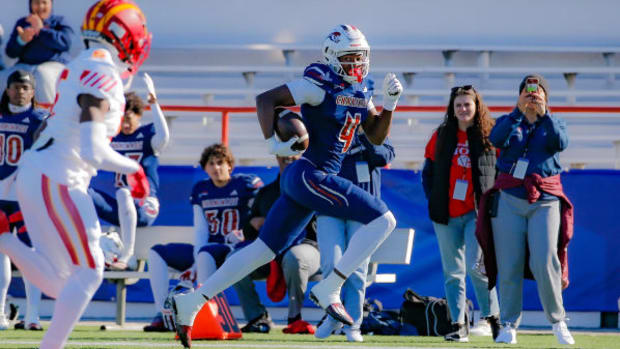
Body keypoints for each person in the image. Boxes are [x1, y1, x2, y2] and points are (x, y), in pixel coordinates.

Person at [171, 24, 403, 348]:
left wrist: (390, 104)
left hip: (306, 181)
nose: (356, 65)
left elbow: (376, 136)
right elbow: (266, 100)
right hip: (310, 174)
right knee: (384, 219)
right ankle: (330, 287)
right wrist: (272, 143)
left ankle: (192, 301)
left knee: (260, 251)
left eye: (360, 57)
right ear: (333, 58)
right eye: (349, 58)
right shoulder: (319, 85)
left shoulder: (362, 89)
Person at [0, 1, 151, 347]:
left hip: (44, 174)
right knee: (88, 272)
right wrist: (134, 167)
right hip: (59, 177)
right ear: (124, 36)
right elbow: (92, 149)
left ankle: (4, 236)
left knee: (64, 281)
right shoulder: (104, 73)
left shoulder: (82, 63)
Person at [476, 74, 575, 345]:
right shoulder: (510, 121)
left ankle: (557, 321)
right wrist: (519, 112)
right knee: (509, 263)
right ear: (519, 94)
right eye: (528, 91)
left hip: (545, 199)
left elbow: (561, 142)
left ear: (546, 95)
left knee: (545, 261)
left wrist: (545, 114)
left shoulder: (554, 122)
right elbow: (495, 139)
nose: (533, 95)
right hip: (509, 198)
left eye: (538, 91)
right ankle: (508, 324)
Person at [144, 144, 262, 332]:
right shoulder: (201, 189)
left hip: (235, 248)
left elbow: (261, 212)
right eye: (211, 164)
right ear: (205, 168)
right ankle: (163, 314)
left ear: (230, 165)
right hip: (208, 250)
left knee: (206, 253)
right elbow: (201, 230)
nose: (216, 168)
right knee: (157, 252)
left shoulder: (245, 184)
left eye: (220, 163)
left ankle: (211, 315)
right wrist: (195, 265)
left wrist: (245, 232)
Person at [421, 85, 500, 342]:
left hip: (476, 213)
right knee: (452, 272)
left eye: (467, 104)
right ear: (452, 109)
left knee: (476, 267)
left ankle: (491, 318)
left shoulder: (489, 135)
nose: (463, 109)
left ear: (476, 106)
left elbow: (500, 174)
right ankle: (458, 324)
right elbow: (428, 172)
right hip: (446, 214)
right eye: (458, 105)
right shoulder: (441, 135)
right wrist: (434, 198)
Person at [315, 132, 394, 342]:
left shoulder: (374, 126)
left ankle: (354, 324)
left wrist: (366, 137)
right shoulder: (331, 122)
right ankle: (333, 316)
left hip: (363, 205)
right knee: (331, 263)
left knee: (357, 269)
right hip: (329, 202)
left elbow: (384, 157)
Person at [232, 153, 321, 335]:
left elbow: (322, 231)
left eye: (293, 151)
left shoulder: (314, 188)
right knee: (234, 260)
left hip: (308, 249)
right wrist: (254, 223)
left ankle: (295, 319)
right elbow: (248, 232)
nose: (288, 156)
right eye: (284, 151)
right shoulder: (266, 193)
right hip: (270, 253)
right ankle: (256, 318)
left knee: (295, 257)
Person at [89, 78, 170, 270]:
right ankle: (90, 248)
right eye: (121, 118)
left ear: (138, 116)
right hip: (120, 207)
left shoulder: (147, 135)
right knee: (82, 191)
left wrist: (154, 104)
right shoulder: (112, 137)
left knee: (124, 192)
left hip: (144, 205)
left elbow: (164, 137)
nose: (124, 123)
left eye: (129, 117)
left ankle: (128, 255)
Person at [0, 70, 46, 331]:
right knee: (0, 256)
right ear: (7, 90)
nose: (20, 91)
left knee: (31, 256)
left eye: (25, 87)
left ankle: (33, 315)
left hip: (26, 197)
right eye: (16, 87)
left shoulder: (40, 119)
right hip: (1, 197)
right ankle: (0, 313)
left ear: (32, 92)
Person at [2, 0, 73, 104]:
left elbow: (66, 43)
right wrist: (21, 41)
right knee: (5, 76)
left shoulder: (59, 21)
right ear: (30, 4)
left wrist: (41, 30)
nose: (40, 6)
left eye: (44, 2)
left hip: (54, 65)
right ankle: (6, 114)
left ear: (51, 4)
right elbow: (10, 53)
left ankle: (48, 113)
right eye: (36, 2)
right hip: (26, 65)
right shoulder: (23, 22)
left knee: (42, 74)